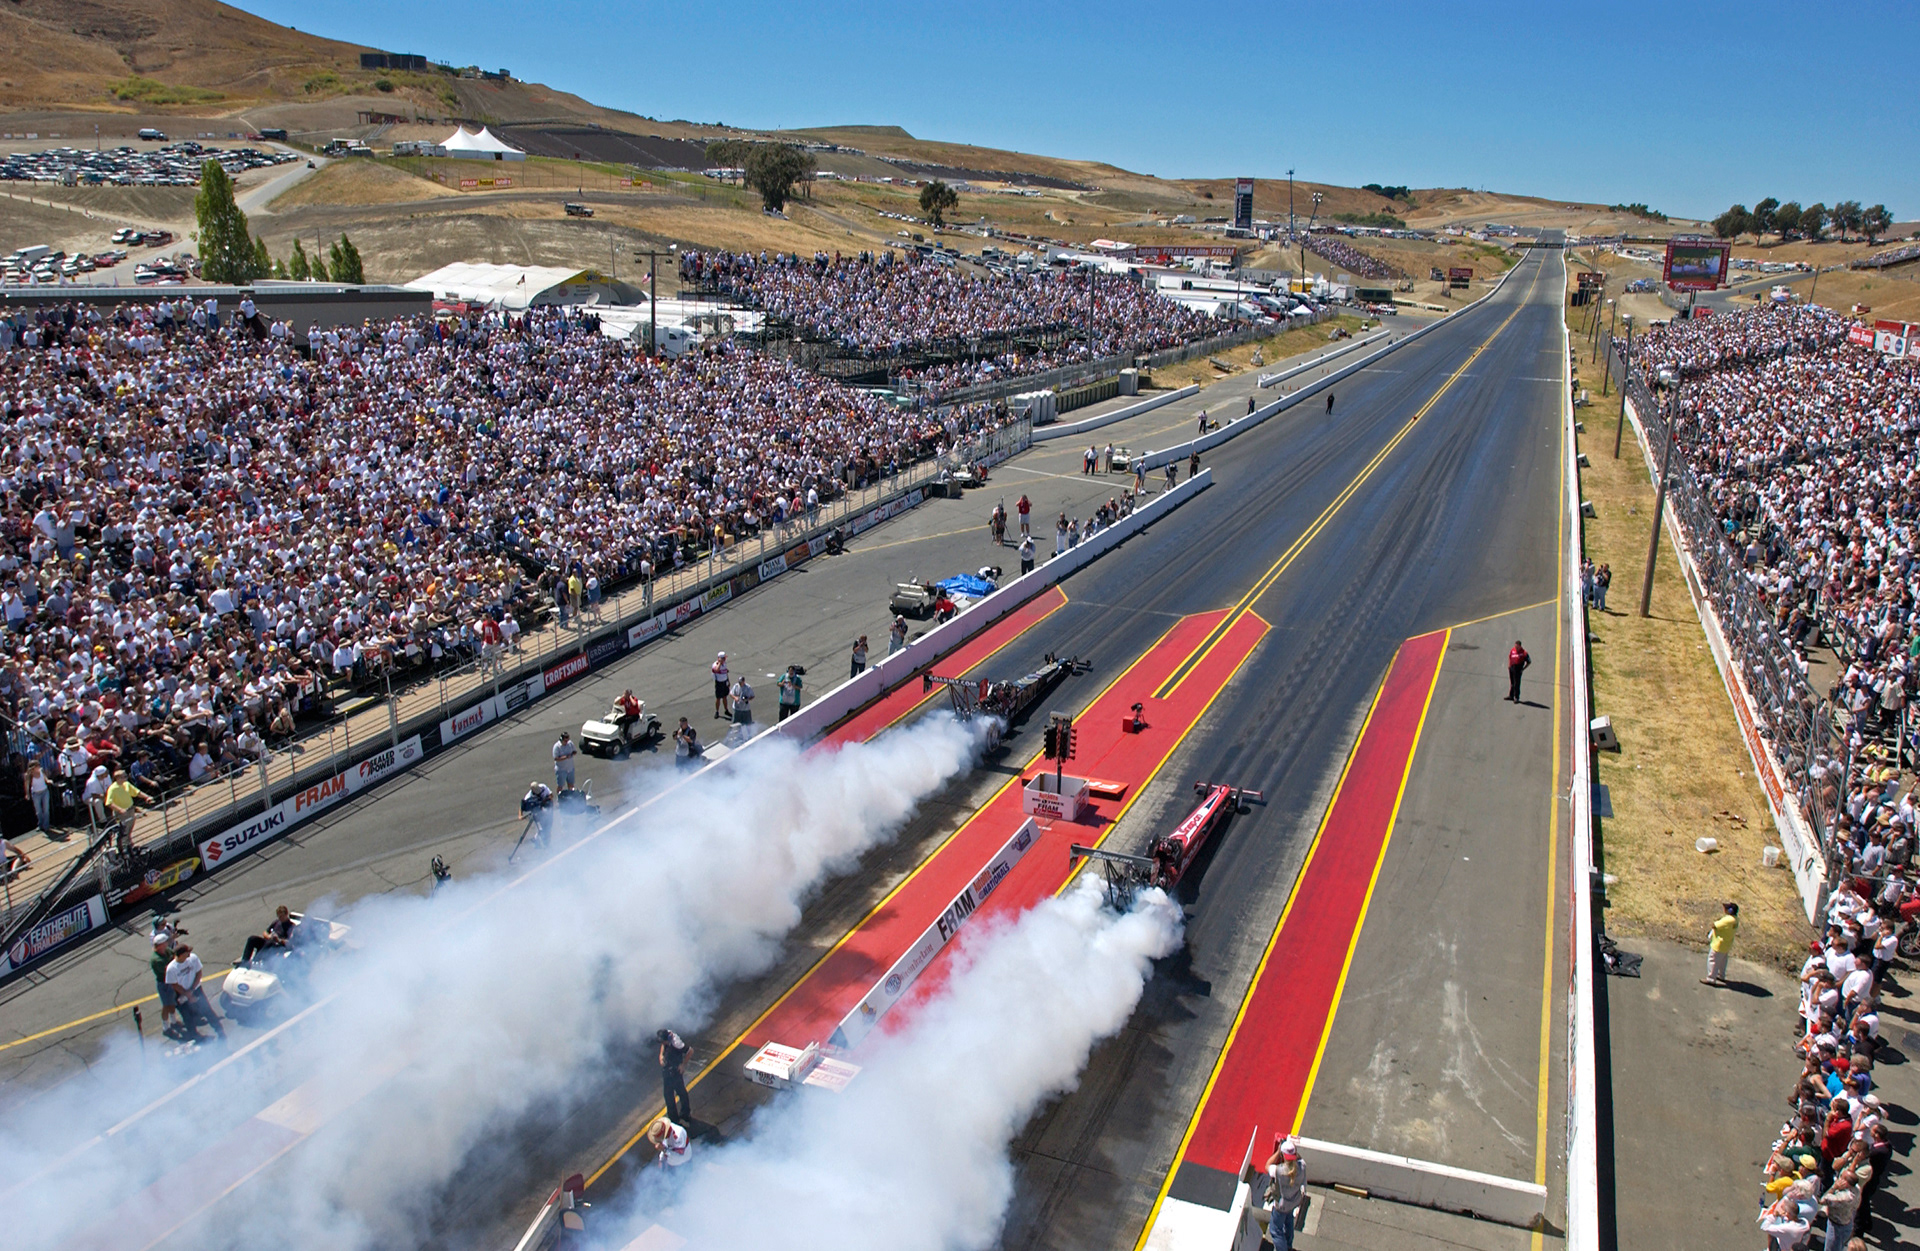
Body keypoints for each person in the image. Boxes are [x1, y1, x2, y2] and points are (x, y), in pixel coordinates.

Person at [165, 941, 225, 1042]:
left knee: (207, 1011)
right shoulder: (171, 969)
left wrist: (192, 990)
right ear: (180, 955)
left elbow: (198, 973)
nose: (189, 954)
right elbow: (174, 984)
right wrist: (187, 994)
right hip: (181, 994)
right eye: (186, 952)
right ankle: (196, 1037)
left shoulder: (193, 958)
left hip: (196, 990)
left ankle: (220, 1031)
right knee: (188, 1017)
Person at [1264, 1135, 1307, 1250]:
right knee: (1288, 1223)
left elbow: (1267, 1165)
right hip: (1294, 1201)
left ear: (1284, 1155)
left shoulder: (1278, 1171)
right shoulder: (1302, 1166)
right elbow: (1299, 1159)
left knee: (1275, 1230)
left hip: (1281, 1206)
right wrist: (1292, 1150)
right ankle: (1288, 1245)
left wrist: (1278, 1152)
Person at [657, 1027, 692, 1121]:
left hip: (676, 1071)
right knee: (668, 1095)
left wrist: (683, 1065)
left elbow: (690, 1051)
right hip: (667, 1071)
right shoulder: (666, 1036)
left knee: (681, 1092)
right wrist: (661, 1055)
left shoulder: (677, 1044)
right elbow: (663, 1045)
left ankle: (686, 1113)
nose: (663, 1043)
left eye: (664, 1041)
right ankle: (673, 1118)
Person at [1703, 900, 1739, 985]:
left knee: (1713, 960)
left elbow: (1715, 925)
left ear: (1730, 911)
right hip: (1727, 944)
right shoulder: (1736, 919)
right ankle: (1721, 975)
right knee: (1723, 961)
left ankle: (1711, 978)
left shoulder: (1728, 920)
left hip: (1719, 944)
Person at [711, 652, 731, 719]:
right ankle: (717, 711)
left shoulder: (725, 664)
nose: (725, 659)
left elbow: (725, 672)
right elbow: (716, 670)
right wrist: (720, 662)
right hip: (719, 683)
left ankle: (726, 710)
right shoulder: (715, 664)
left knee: (725, 697)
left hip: (724, 682)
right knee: (718, 698)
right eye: (724, 658)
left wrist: (728, 680)